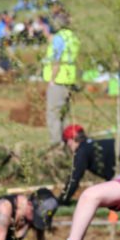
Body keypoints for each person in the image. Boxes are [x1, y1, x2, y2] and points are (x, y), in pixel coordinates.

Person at [58, 124, 120, 205]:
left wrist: (62, 200)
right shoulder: (95, 145)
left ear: (70, 141)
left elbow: (74, 178)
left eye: (67, 142)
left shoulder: (82, 150)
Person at [43, 12, 79, 147]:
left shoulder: (59, 38)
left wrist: (52, 79)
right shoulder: (72, 37)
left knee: (53, 114)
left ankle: (56, 145)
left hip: (58, 80)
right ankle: (67, 143)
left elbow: (56, 60)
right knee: (64, 116)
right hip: (69, 80)